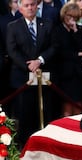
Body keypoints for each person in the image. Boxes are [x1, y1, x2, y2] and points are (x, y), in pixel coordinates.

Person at [6, 0, 58, 146]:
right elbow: (12, 50)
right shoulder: (13, 26)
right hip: (22, 78)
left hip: (44, 77)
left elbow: (54, 46)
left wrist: (40, 60)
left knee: (44, 111)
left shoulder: (47, 24)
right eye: (26, 5)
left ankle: (45, 143)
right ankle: (25, 145)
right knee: (24, 113)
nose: (30, 8)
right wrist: (28, 65)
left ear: (37, 6)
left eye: (33, 5)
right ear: (20, 8)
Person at [55, 2, 82, 116]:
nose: (71, 19)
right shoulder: (58, 30)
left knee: (79, 105)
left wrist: (75, 31)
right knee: (66, 106)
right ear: (64, 15)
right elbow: (60, 52)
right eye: (69, 16)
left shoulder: (80, 30)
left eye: (74, 17)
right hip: (65, 74)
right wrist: (78, 55)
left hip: (79, 75)